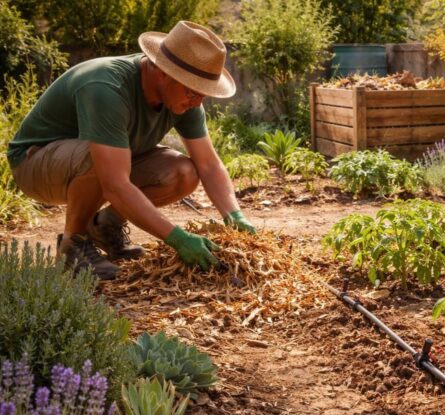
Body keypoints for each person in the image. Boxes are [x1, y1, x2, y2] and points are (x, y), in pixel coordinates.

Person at [6, 20, 257, 280]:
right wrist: (179, 239)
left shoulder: (186, 100)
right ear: (163, 71)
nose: (199, 101)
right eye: (194, 91)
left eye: (204, 94)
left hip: (101, 163)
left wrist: (234, 215)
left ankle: (106, 227)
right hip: (34, 164)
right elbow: (114, 183)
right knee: (97, 157)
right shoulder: (107, 87)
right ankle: (74, 244)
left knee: (184, 172)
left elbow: (208, 164)